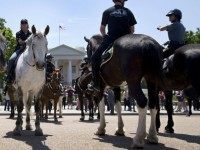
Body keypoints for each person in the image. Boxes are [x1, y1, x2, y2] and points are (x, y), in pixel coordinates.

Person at [90, 0, 137, 91]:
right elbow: (132, 29)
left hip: (111, 39)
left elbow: (102, 29)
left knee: (94, 58)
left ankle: (96, 83)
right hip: (126, 39)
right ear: (122, 1)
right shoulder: (128, 11)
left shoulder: (107, 11)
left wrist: (105, 36)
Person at [4, 19, 32, 93]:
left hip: (28, 51)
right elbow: (20, 42)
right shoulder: (18, 33)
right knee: (11, 59)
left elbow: (31, 43)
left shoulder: (31, 33)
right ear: (21, 25)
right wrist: (27, 42)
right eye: (22, 23)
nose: (23, 25)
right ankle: (9, 77)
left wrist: (26, 42)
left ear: (27, 24)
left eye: (25, 23)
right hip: (19, 50)